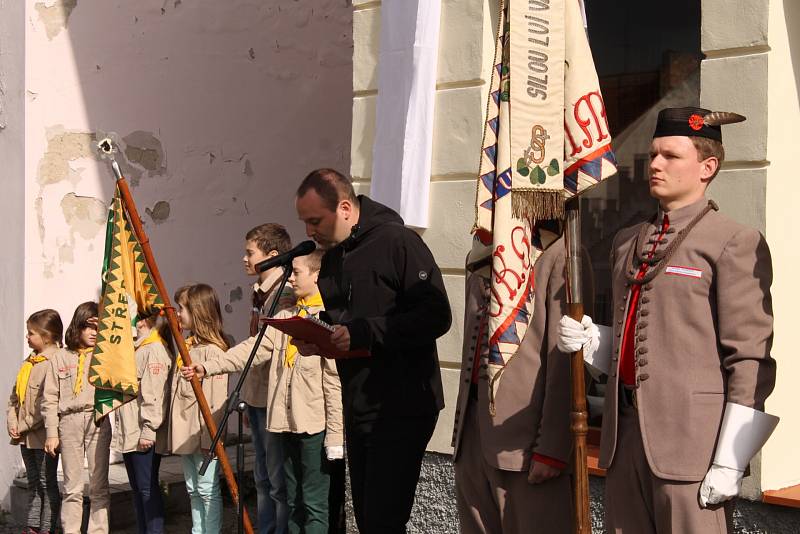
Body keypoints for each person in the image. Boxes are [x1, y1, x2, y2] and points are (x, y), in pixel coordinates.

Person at [558, 107, 778, 533]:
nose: (654, 164)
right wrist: (594, 341)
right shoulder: (626, 242)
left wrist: (731, 460)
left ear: (707, 167)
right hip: (625, 443)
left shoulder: (732, 241)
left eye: (671, 156)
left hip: (693, 450)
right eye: (654, 153)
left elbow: (750, 359)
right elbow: (647, 339)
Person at [293, 168, 451, 533]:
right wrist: (318, 336)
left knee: (383, 521)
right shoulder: (333, 257)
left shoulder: (398, 242)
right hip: (359, 402)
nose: (308, 232)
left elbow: (436, 314)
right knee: (367, 520)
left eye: (315, 221)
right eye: (304, 222)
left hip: (401, 405)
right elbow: (345, 319)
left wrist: (364, 333)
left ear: (345, 208)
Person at [182, 250, 344, 534]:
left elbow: (333, 381)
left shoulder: (329, 317)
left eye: (297, 272)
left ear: (317, 275)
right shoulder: (286, 315)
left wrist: (335, 435)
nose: (291, 278)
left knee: (315, 504)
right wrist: (208, 367)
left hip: (314, 425)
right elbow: (252, 350)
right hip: (284, 423)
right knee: (292, 500)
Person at [451, 235, 575, 534]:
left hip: (526, 445)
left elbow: (564, 362)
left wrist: (552, 449)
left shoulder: (559, 255)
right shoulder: (483, 252)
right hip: (474, 437)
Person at [242, 223, 295, 534]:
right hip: (257, 395)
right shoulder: (260, 292)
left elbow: (265, 348)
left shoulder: (283, 294)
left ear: (273, 256)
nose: (244, 259)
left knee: (276, 481)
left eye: (250, 253)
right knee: (261, 477)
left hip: (273, 398)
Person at [43, 301, 112, 534]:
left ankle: (98, 531)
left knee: (99, 484)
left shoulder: (105, 356)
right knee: (72, 486)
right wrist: (52, 433)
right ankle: (71, 530)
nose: (94, 332)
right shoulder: (61, 357)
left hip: (97, 419)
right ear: (77, 326)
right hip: (69, 422)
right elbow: (50, 398)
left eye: (98, 327)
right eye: (89, 327)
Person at [167, 284, 230, 534]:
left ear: (198, 312)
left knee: (207, 489)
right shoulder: (188, 346)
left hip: (203, 432)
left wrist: (211, 438)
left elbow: (215, 400)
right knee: (193, 488)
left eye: (182, 309)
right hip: (187, 430)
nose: (178, 314)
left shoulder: (213, 352)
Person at [113, 312, 174, 534]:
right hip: (132, 429)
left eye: (139, 318)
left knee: (147, 487)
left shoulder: (154, 349)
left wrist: (149, 429)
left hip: (142, 431)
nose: (135, 323)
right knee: (139, 488)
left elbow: (154, 393)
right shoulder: (141, 348)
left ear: (148, 322)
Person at [7, 309, 64, 534]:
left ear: (47, 335)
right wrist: (13, 422)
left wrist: (21, 425)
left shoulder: (54, 361)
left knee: (46, 483)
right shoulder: (28, 363)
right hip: (25, 437)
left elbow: (46, 405)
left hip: (43, 437)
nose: (27, 337)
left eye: (31, 333)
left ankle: (47, 527)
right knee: (33, 483)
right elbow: (14, 398)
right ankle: (32, 526)